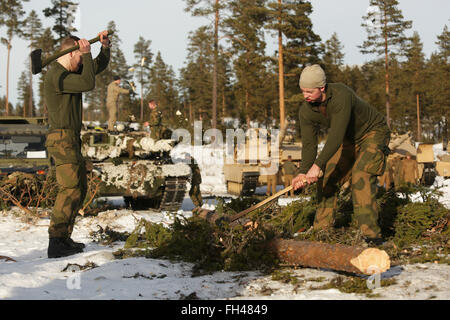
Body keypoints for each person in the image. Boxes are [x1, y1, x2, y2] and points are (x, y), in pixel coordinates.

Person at [292, 64, 390, 242]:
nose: (305, 96)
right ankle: (321, 230)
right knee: (326, 177)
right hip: (349, 139)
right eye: (302, 91)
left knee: (362, 174)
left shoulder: (341, 96)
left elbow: (335, 136)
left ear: (321, 88)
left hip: (373, 133)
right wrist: (303, 172)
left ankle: (371, 236)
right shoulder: (306, 112)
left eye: (309, 91)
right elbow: (308, 145)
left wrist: (317, 165)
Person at [44, 31, 110, 258]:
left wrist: (104, 49)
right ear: (71, 53)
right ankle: (56, 241)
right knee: (70, 188)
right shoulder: (57, 76)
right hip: (62, 139)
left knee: (78, 187)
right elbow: (88, 82)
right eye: (79, 58)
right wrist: (87, 54)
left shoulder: (67, 73)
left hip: (70, 138)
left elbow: (94, 70)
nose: (82, 62)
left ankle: (64, 238)